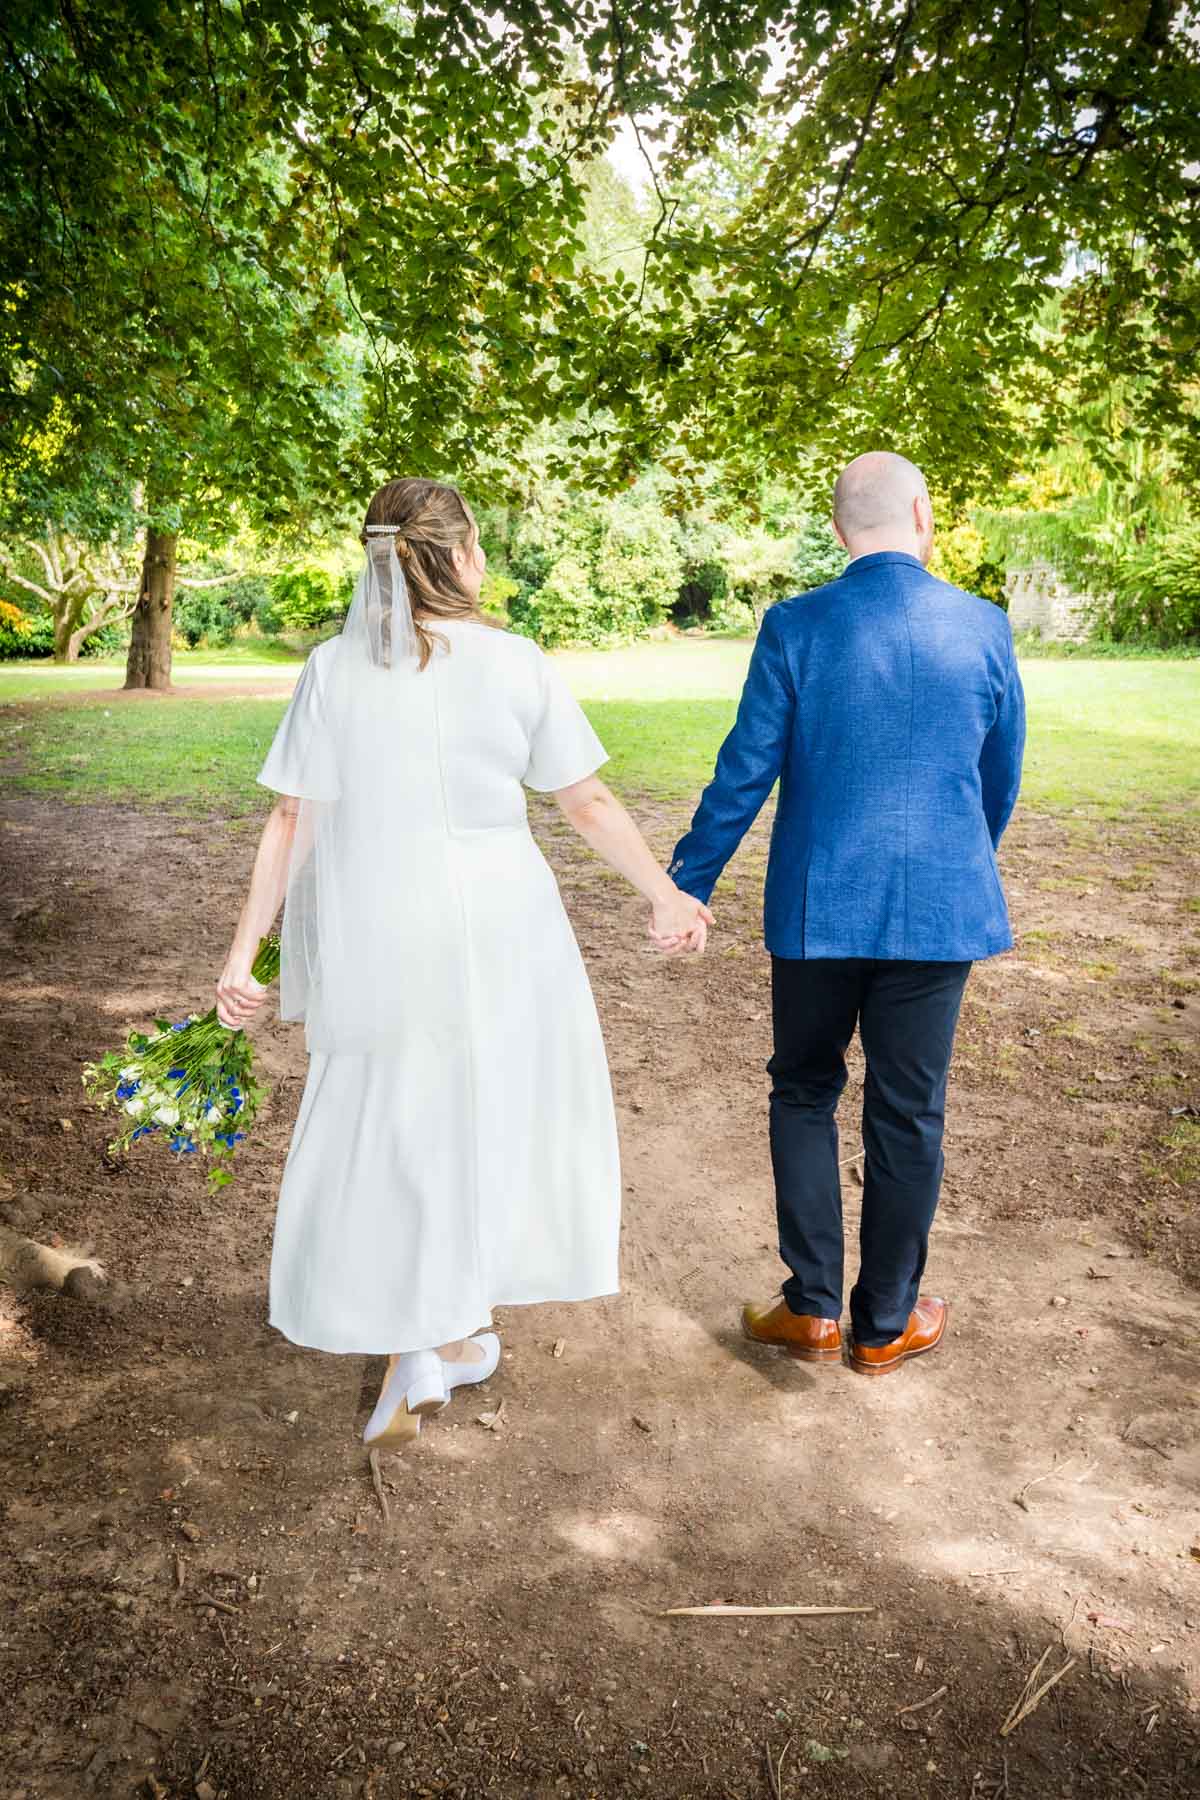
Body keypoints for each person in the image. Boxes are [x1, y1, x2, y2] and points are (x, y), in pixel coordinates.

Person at [215, 478, 710, 1445]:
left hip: (381, 922)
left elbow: (292, 817)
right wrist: (666, 895)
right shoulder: (515, 662)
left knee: (398, 1114)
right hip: (501, 920)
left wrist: (244, 956)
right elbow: (587, 803)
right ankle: (441, 1331)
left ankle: (425, 1340)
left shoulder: (331, 668)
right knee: (484, 1112)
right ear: (461, 554)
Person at [668, 451, 1025, 1376]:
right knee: (910, 1114)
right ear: (922, 510)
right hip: (937, 913)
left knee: (803, 1090)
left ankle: (815, 1308)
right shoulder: (984, 626)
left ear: (837, 529)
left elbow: (744, 767)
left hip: (819, 909)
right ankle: (884, 1323)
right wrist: (957, 858)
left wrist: (691, 881)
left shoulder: (796, 626)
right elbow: (1001, 774)